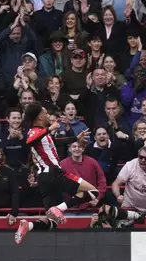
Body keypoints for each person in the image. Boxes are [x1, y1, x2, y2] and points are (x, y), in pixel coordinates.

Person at [14, 102, 103, 244]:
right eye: (45, 113)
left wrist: (75, 139)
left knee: (51, 221)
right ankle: (59, 208)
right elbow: (29, 141)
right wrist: (50, 128)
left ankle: (28, 225)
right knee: (93, 191)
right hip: (54, 173)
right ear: (40, 117)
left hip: (44, 179)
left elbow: (56, 142)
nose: (48, 115)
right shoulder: (34, 131)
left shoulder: (42, 133)